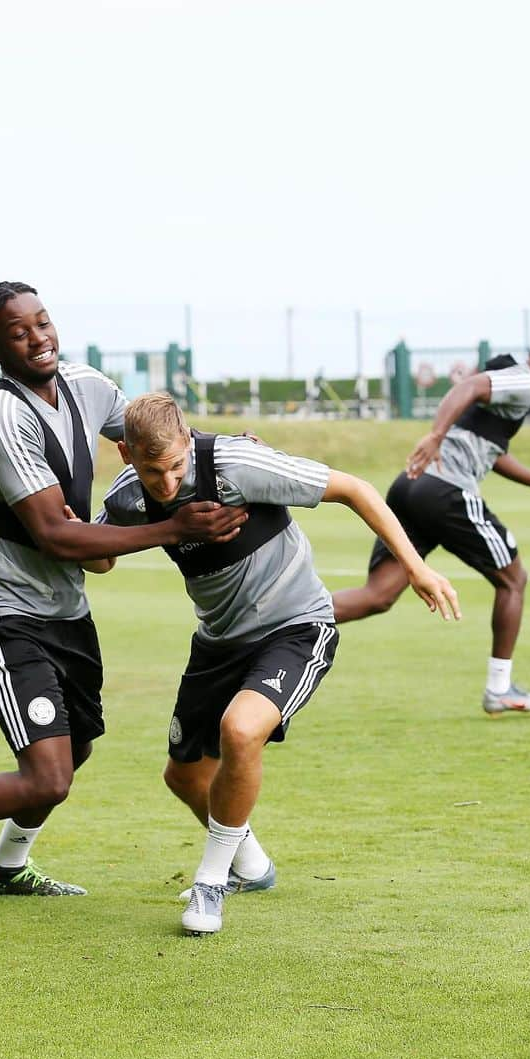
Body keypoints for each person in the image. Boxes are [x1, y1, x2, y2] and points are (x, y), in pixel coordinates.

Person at [0, 282, 249, 928]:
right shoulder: (1, 418)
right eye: (19, 330)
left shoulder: (86, 384)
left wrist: (222, 451)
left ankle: (5, 867)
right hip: (9, 613)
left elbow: (157, 436)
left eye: (44, 322)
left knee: (74, 749)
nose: (38, 336)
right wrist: (175, 529)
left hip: (67, 612)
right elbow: (55, 533)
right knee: (48, 777)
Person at [93, 393, 459, 935]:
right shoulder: (128, 497)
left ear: (188, 441)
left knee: (241, 732)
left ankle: (211, 883)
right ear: (125, 453)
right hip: (217, 642)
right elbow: (100, 557)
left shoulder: (239, 464)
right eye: (152, 472)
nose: (167, 484)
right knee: (184, 775)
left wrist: (417, 569)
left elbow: (354, 489)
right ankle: (253, 866)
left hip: (296, 627)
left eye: (175, 467)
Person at [331, 332, 530, 715]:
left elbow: (488, 452)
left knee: (378, 595)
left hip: (410, 486)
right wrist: (435, 435)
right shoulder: (526, 382)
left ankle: (277, 621)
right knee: (514, 580)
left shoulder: (508, 395)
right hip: (444, 490)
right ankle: (499, 689)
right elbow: (469, 386)